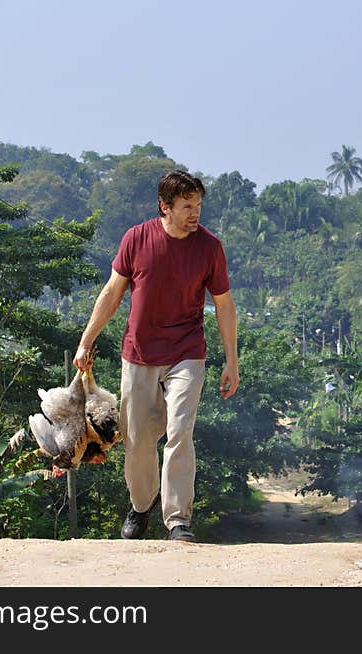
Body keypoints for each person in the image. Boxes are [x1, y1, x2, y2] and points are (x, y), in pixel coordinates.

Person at [73, 169, 239, 543]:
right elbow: (112, 293)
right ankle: (140, 506)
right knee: (138, 438)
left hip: (187, 352)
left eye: (198, 205)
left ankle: (178, 520)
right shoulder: (137, 238)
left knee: (180, 431)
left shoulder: (210, 247)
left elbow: (225, 306)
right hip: (139, 353)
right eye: (186, 207)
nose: (195, 213)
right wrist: (86, 340)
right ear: (164, 207)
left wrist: (232, 360)